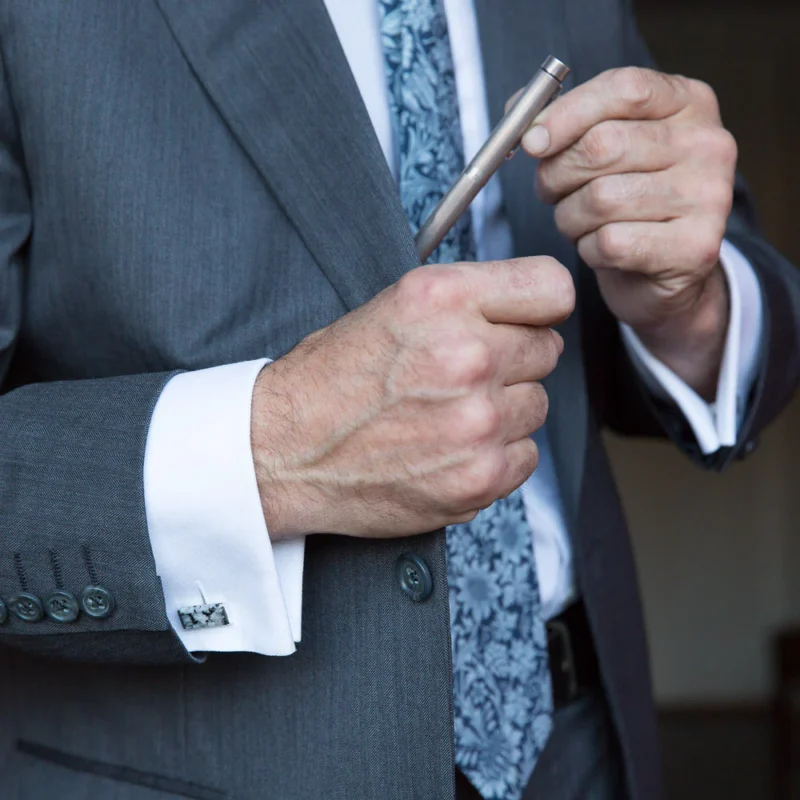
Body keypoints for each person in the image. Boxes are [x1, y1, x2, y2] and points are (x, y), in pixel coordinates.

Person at [0, 1, 797, 799]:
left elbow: (681, 281)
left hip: (583, 737)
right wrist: (273, 449)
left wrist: (691, 308)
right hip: (209, 764)